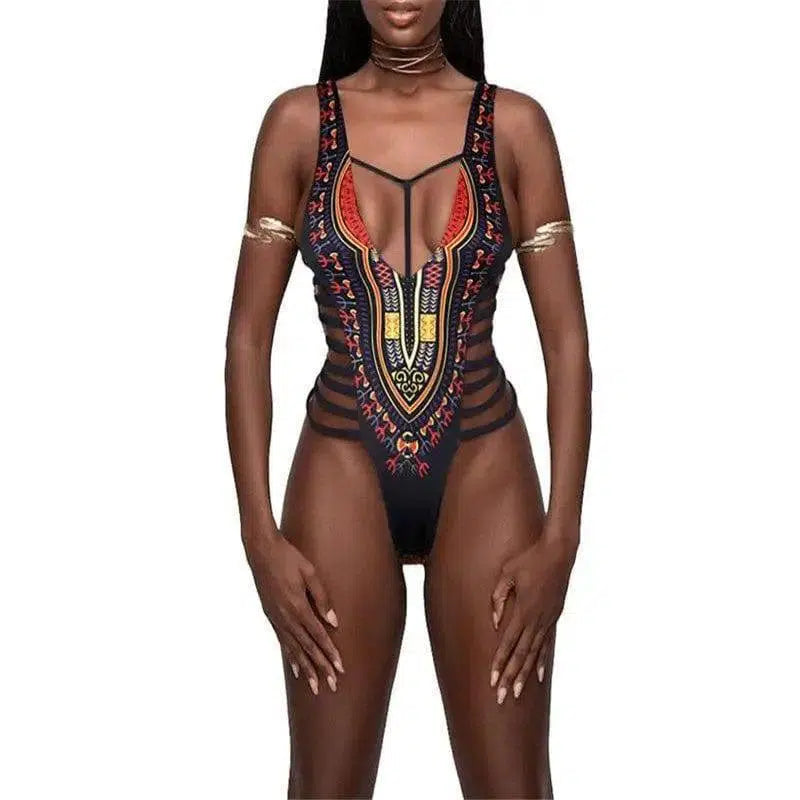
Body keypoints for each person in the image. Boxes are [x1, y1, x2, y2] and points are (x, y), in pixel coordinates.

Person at [225, 1, 591, 796]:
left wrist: (562, 537)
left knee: (515, 788)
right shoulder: (297, 124)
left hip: (486, 468)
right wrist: (258, 535)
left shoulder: (515, 127)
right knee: (323, 788)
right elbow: (247, 342)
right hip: (340, 467)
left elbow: (568, 349)